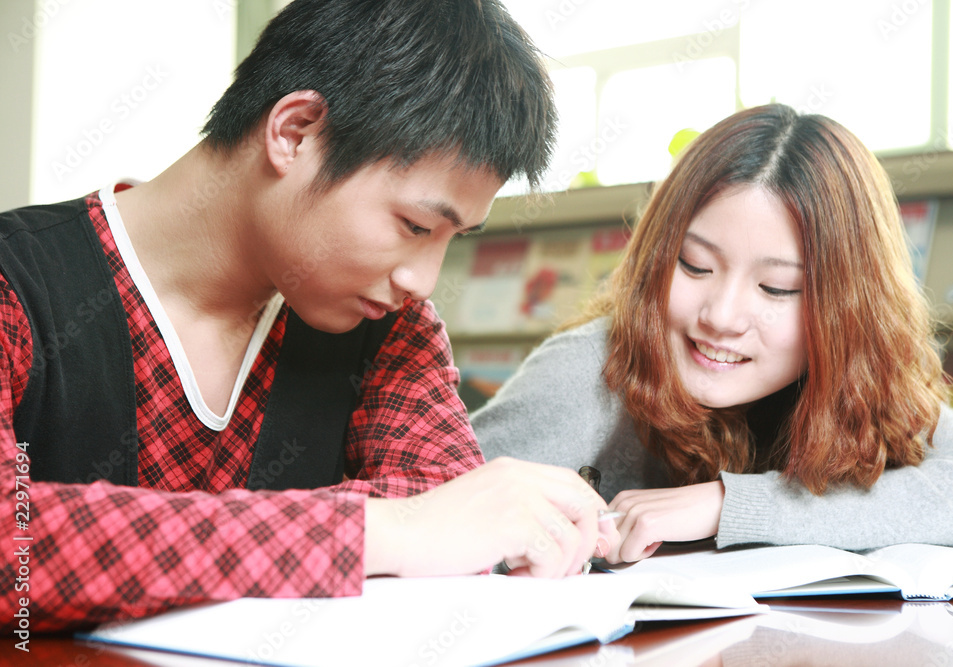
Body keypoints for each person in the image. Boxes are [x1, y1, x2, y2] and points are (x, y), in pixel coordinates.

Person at [1, 0, 617, 633]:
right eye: (415, 225)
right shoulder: (16, 281)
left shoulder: (388, 326)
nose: (422, 280)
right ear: (294, 132)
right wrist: (390, 529)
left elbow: (453, 510)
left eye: (450, 239)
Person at [472, 104, 953, 564]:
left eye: (776, 288)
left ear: (848, 311)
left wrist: (728, 504)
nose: (722, 317)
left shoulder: (860, 380)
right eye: (695, 265)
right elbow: (437, 515)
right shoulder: (587, 370)